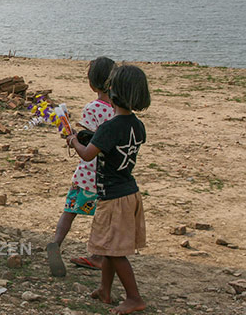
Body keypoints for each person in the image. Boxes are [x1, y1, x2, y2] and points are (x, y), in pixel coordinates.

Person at [66, 65, 150, 315]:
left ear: (112, 92)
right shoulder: (137, 126)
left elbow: (88, 156)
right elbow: (112, 148)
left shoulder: (109, 128)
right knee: (107, 248)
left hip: (113, 198)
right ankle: (105, 289)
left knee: (113, 252)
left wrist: (73, 141)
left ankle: (134, 297)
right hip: (129, 192)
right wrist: (89, 138)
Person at [47, 56, 116, 277]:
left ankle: (56, 244)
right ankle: (99, 256)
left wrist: (72, 138)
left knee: (70, 210)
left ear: (91, 83)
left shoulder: (92, 108)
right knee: (103, 217)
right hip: (110, 174)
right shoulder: (119, 108)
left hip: (88, 173)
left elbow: (88, 142)